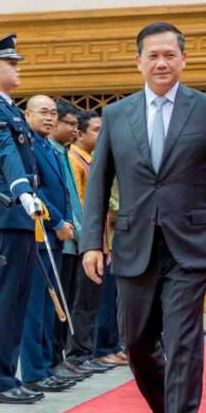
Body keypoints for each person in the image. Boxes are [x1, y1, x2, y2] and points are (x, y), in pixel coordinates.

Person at [80, 22, 206, 413]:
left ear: (183, 59)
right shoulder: (116, 115)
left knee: (182, 341)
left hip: (189, 245)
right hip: (134, 243)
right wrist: (91, 242)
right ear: (138, 61)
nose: (161, 63)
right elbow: (98, 181)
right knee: (136, 342)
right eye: (153, 56)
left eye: (169, 55)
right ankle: (162, 411)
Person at [0, 35, 48, 405]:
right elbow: (5, 153)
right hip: (7, 211)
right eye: (11, 63)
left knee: (19, 297)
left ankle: (10, 375)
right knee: (7, 297)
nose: (17, 69)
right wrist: (22, 191)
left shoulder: (9, 108)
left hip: (21, 212)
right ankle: (0, 380)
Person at [18, 95, 79, 393]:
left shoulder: (49, 147)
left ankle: (46, 366)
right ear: (27, 115)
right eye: (43, 112)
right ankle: (33, 371)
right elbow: (34, 191)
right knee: (35, 307)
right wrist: (57, 221)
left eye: (53, 113)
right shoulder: (28, 146)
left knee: (48, 306)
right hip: (39, 232)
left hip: (54, 236)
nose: (49, 118)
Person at [65, 111, 124, 368]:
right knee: (85, 301)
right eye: (96, 130)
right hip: (87, 241)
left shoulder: (92, 159)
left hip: (103, 239)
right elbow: (81, 203)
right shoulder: (74, 159)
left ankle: (102, 348)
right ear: (80, 133)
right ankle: (87, 353)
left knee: (101, 299)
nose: (102, 135)